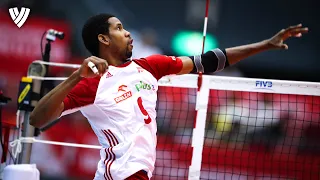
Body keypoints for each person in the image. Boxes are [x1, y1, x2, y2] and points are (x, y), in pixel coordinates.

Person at [29, 13, 308, 180]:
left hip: (136, 173)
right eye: (118, 28)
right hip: (123, 174)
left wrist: (265, 45)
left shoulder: (150, 66)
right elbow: (37, 119)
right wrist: (77, 76)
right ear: (103, 39)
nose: (127, 32)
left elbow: (210, 61)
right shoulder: (92, 83)